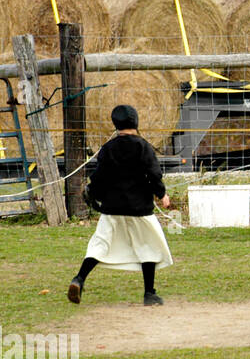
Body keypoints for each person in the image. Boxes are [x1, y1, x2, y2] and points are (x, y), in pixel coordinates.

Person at [68, 104, 173, 307]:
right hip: (139, 208)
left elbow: (99, 177)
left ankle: (79, 279)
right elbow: (154, 173)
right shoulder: (143, 147)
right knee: (148, 246)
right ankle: (149, 294)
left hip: (112, 207)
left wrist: (94, 194)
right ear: (136, 121)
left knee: (99, 245)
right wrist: (162, 195)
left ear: (115, 124)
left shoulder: (108, 148)